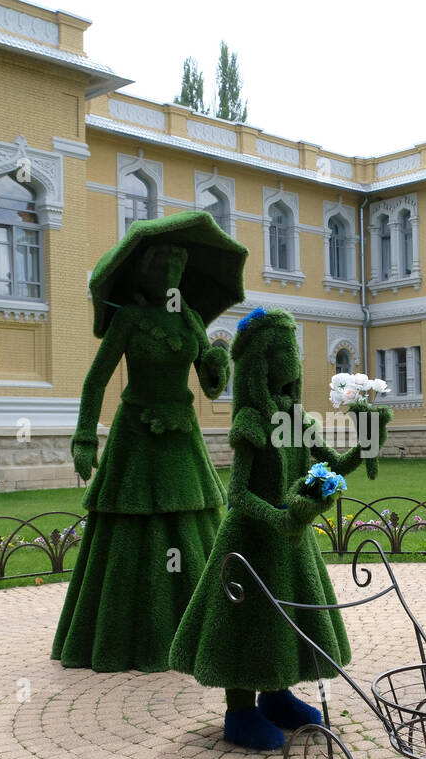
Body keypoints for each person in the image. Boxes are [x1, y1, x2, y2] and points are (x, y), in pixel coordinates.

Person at [170, 307, 391, 750]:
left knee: (283, 620)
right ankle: (240, 712)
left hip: (290, 543)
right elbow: (239, 494)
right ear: (262, 363)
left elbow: (333, 465)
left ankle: (277, 696)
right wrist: (279, 517)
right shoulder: (251, 422)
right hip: (250, 541)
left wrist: (370, 432)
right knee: (247, 621)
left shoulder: (295, 418)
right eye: (283, 349)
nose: (292, 358)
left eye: (294, 348)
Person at [52, 212, 247, 672]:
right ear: (147, 273)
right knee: (134, 521)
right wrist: (84, 436)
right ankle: (124, 632)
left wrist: (219, 362)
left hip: (181, 436)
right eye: (165, 269)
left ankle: (198, 624)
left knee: (188, 522)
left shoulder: (193, 321)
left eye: (179, 271)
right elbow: (95, 381)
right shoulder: (129, 320)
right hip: (136, 436)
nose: (172, 278)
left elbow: (212, 387)